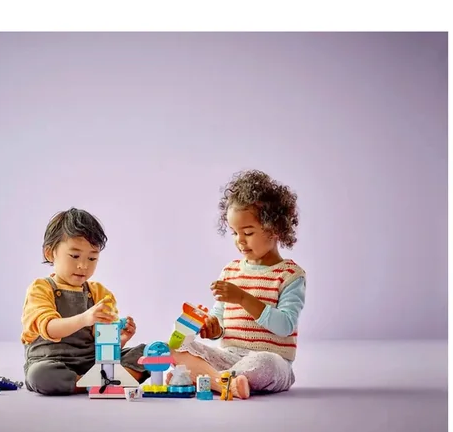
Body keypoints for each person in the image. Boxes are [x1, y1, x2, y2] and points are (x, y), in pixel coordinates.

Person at [169, 170, 306, 399]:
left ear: (275, 229)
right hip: (229, 358)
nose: (240, 240)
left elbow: (285, 325)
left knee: (265, 362)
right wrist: (213, 328)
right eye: (234, 233)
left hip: (272, 361)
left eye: (248, 232)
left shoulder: (290, 275)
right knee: (176, 346)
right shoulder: (230, 271)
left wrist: (242, 298)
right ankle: (223, 383)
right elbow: (220, 318)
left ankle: (201, 378)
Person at [21, 208, 149, 395]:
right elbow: (49, 328)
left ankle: (97, 381)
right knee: (40, 374)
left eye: (92, 258)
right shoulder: (41, 288)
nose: (83, 265)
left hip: (92, 362)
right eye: (74, 256)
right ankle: (98, 382)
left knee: (147, 353)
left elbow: (103, 347)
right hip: (51, 360)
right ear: (49, 253)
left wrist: (119, 340)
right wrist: (84, 319)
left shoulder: (100, 293)